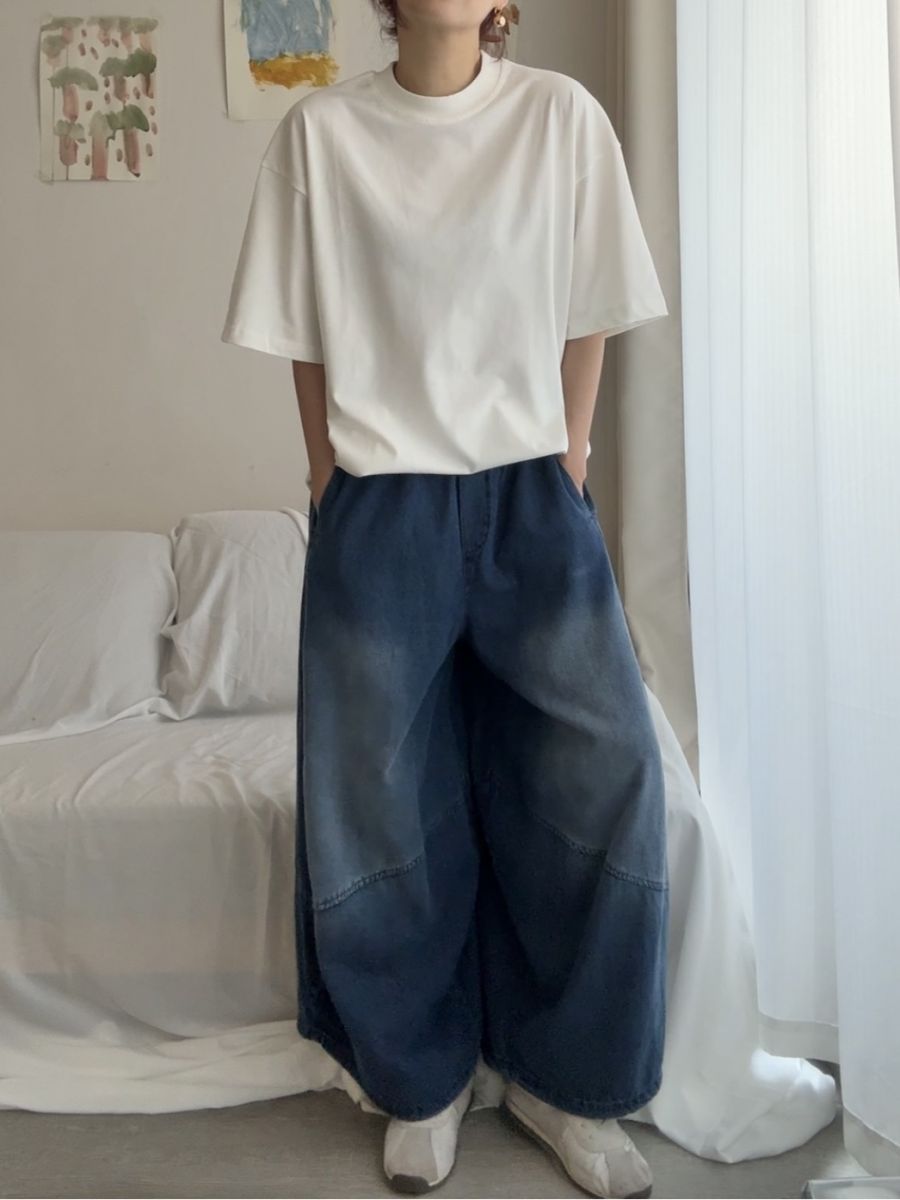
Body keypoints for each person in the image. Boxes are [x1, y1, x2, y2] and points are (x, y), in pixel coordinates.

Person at [221, 3, 670, 1196]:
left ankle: (565, 1080)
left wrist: (569, 455)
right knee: (374, 803)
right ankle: (420, 1079)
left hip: (531, 491)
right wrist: (327, 477)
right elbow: (304, 331)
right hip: (383, 502)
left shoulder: (560, 118)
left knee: (606, 776)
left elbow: (592, 305)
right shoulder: (322, 134)